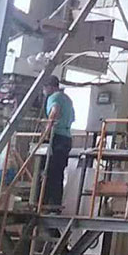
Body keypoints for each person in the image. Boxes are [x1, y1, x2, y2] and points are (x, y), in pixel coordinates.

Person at [41, 75, 74, 211]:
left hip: (57, 138)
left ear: (49, 87)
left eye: (44, 88)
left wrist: (46, 132)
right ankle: (55, 206)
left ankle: (44, 204)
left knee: (48, 172)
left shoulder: (53, 97)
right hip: (67, 138)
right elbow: (72, 118)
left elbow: (54, 111)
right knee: (58, 174)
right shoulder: (67, 99)